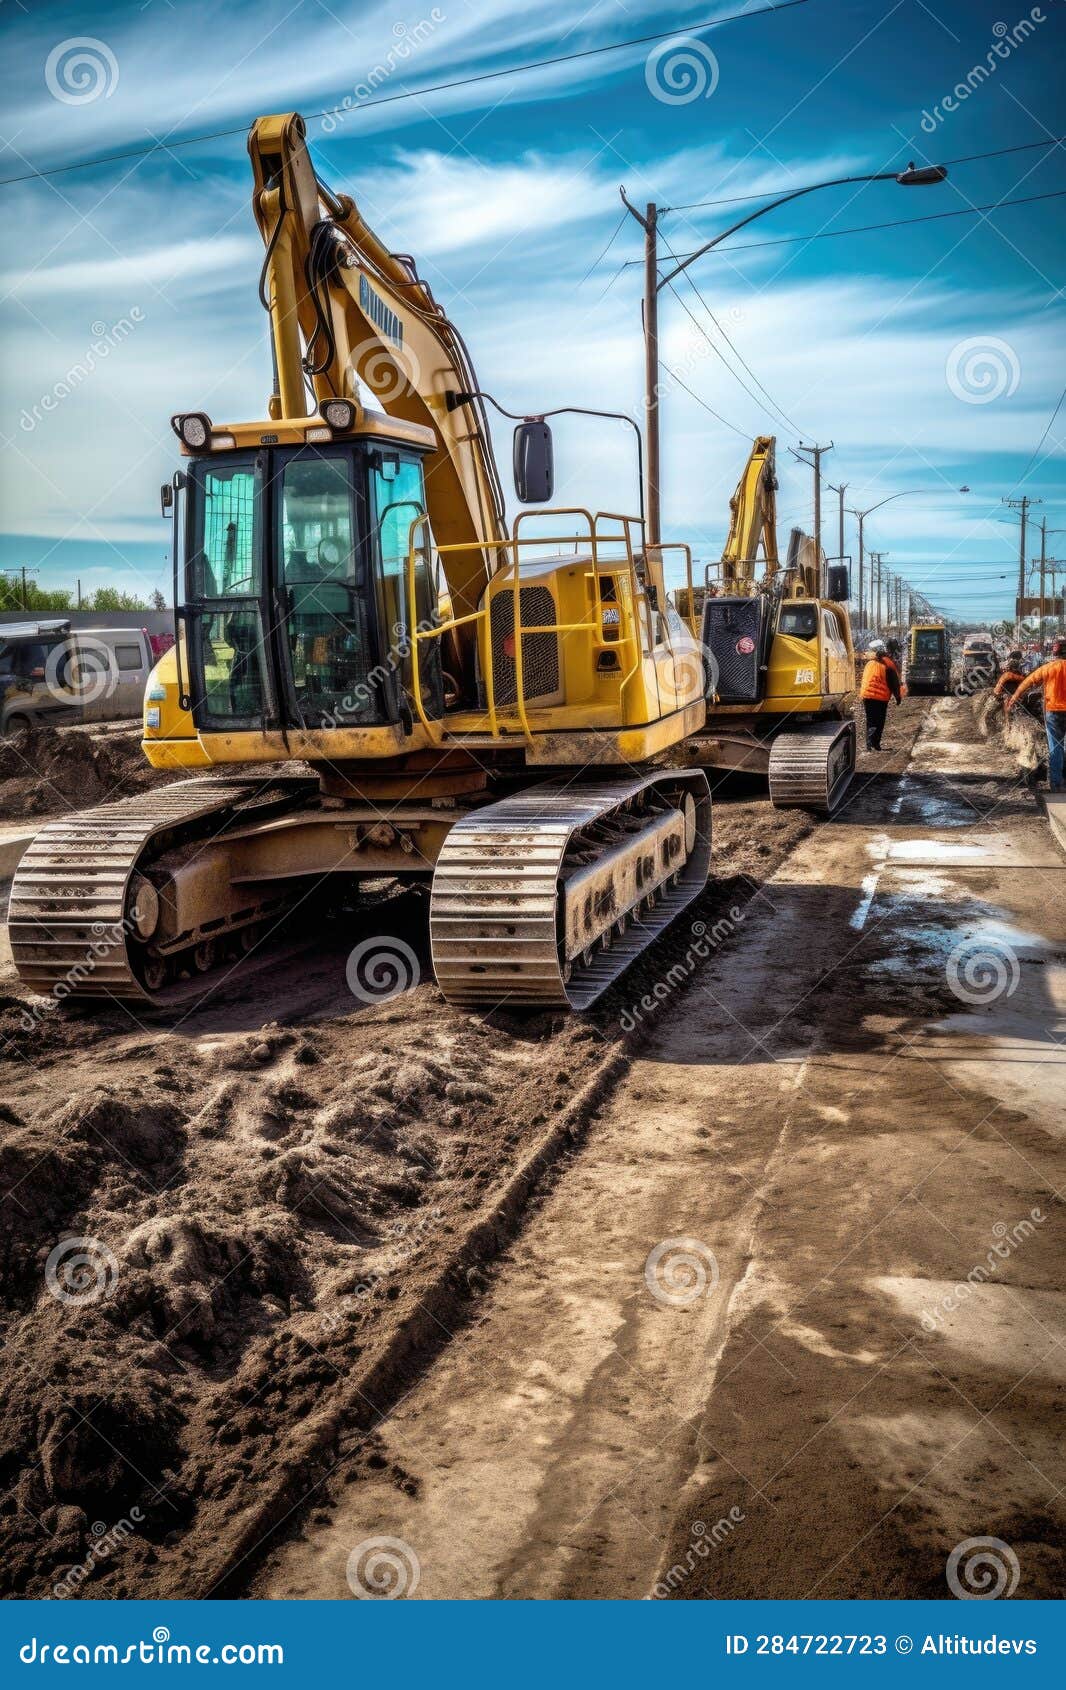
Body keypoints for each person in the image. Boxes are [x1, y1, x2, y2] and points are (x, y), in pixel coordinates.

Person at [1006, 637, 1066, 792]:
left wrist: (1013, 699)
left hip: (1053, 712)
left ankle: (1057, 785)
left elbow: (1027, 682)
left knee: (1056, 747)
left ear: (1055, 653)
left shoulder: (1048, 668)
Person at [860, 638, 901, 751]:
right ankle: (876, 744)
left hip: (867, 696)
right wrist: (897, 697)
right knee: (879, 720)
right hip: (880, 698)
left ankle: (869, 744)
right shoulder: (888, 663)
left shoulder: (869, 663)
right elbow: (894, 683)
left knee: (870, 719)